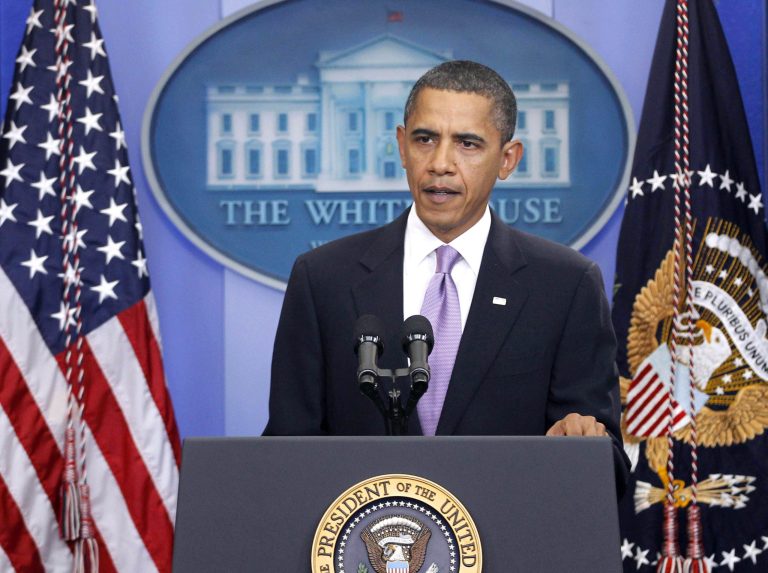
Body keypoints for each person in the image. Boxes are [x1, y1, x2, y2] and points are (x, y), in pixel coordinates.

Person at [265, 60, 628, 488]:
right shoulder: (322, 278)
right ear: (402, 147)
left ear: (508, 159)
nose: (440, 163)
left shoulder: (565, 285)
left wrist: (583, 443)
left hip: (506, 547)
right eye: (425, 139)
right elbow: (284, 457)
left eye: (468, 144)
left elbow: (609, 471)